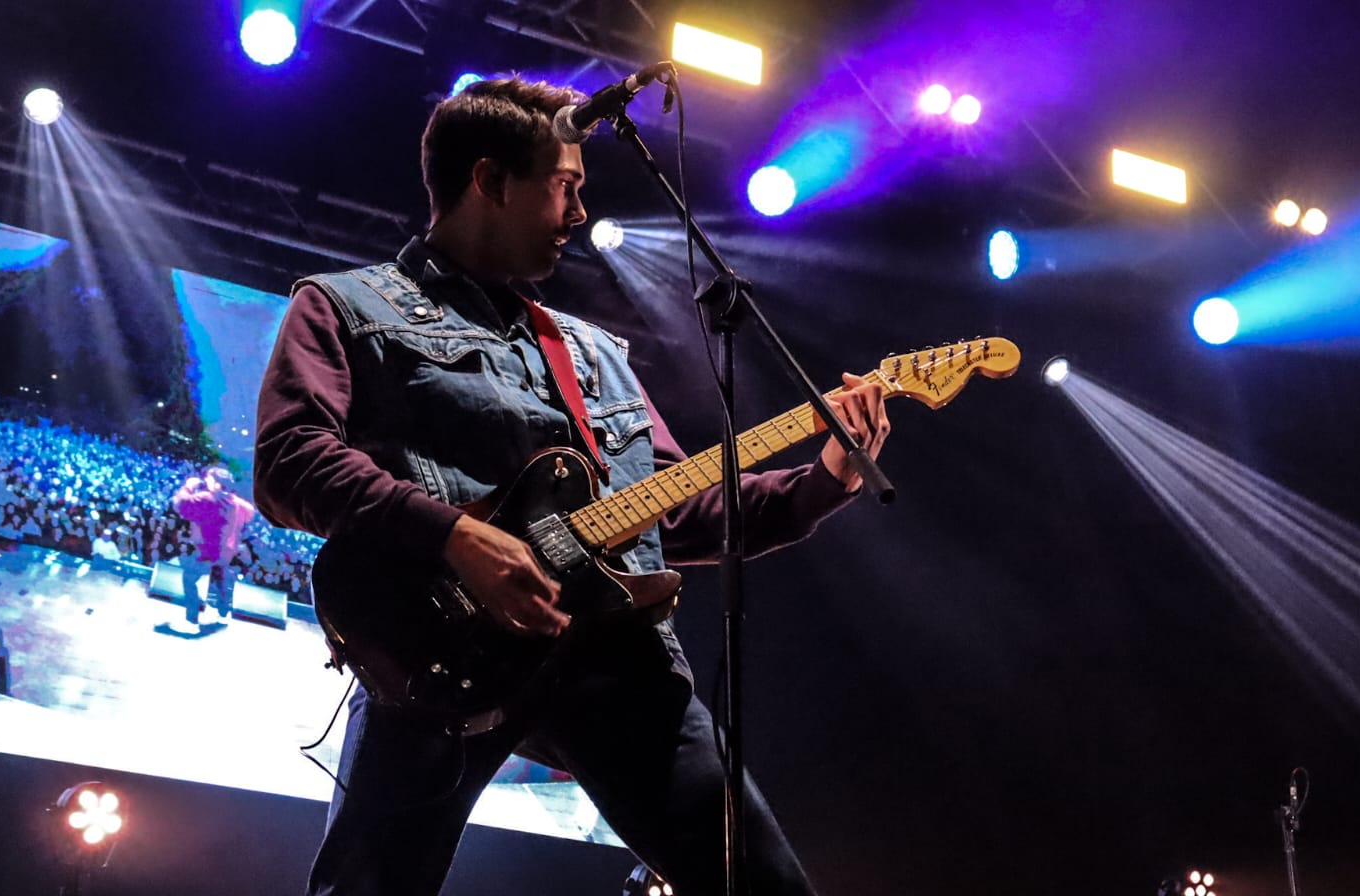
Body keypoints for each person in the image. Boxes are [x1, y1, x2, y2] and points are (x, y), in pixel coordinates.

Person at [253, 77, 891, 896]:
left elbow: (677, 514)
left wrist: (825, 478)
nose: (580, 213)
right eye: (565, 186)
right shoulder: (346, 305)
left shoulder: (593, 351)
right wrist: (452, 535)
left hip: (613, 655)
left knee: (760, 885)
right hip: (438, 648)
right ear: (489, 181)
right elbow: (289, 458)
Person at [171, 465, 256, 628]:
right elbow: (250, 512)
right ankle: (224, 613)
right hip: (226, 552)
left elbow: (180, 504)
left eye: (209, 480)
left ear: (217, 483)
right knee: (220, 576)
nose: (206, 482)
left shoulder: (208, 498)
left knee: (189, 578)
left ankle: (191, 619)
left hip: (207, 550)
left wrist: (189, 485)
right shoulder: (238, 503)